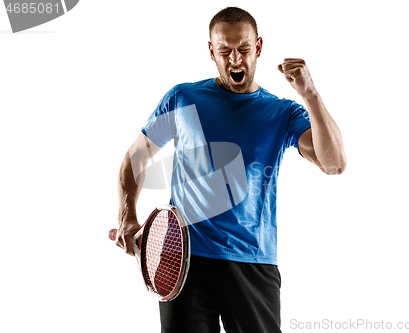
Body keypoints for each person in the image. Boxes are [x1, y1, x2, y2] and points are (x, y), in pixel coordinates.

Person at [115, 6, 346, 333]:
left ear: (259, 48)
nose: (235, 59)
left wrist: (310, 95)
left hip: (252, 261)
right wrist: (127, 217)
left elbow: (334, 164)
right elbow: (135, 159)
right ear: (211, 51)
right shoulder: (183, 99)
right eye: (225, 51)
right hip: (184, 261)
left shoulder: (282, 113)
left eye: (243, 50)